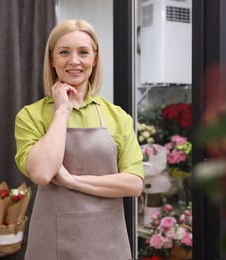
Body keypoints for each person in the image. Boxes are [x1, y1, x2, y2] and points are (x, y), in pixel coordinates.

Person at [14, 19, 144, 260]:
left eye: (83, 52)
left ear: (94, 58)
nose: (74, 61)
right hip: (52, 244)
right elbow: (42, 173)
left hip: (109, 245)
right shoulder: (31, 115)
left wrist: (72, 181)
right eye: (64, 52)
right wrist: (61, 112)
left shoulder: (118, 117)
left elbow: (134, 184)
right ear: (52, 59)